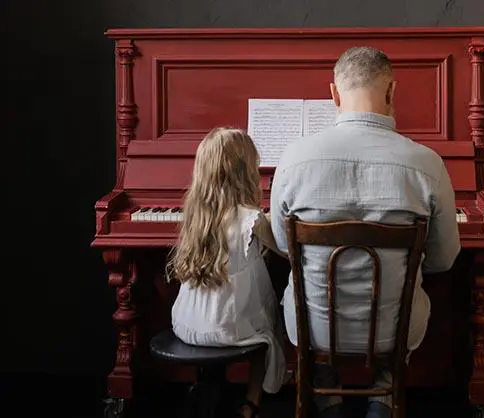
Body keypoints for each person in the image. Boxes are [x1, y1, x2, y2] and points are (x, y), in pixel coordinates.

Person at [269, 47, 461, 418]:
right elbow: (443, 258)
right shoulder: (427, 163)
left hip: (316, 331)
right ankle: (383, 394)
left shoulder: (293, 159)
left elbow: (282, 247)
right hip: (394, 332)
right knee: (409, 297)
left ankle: (327, 396)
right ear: (392, 92)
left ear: (334, 95)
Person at [167, 127, 288, 418]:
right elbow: (285, 249)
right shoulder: (251, 218)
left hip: (185, 323)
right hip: (227, 329)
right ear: (245, 171)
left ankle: (208, 385)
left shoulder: (197, 215)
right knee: (267, 331)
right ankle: (252, 402)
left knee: (229, 304)